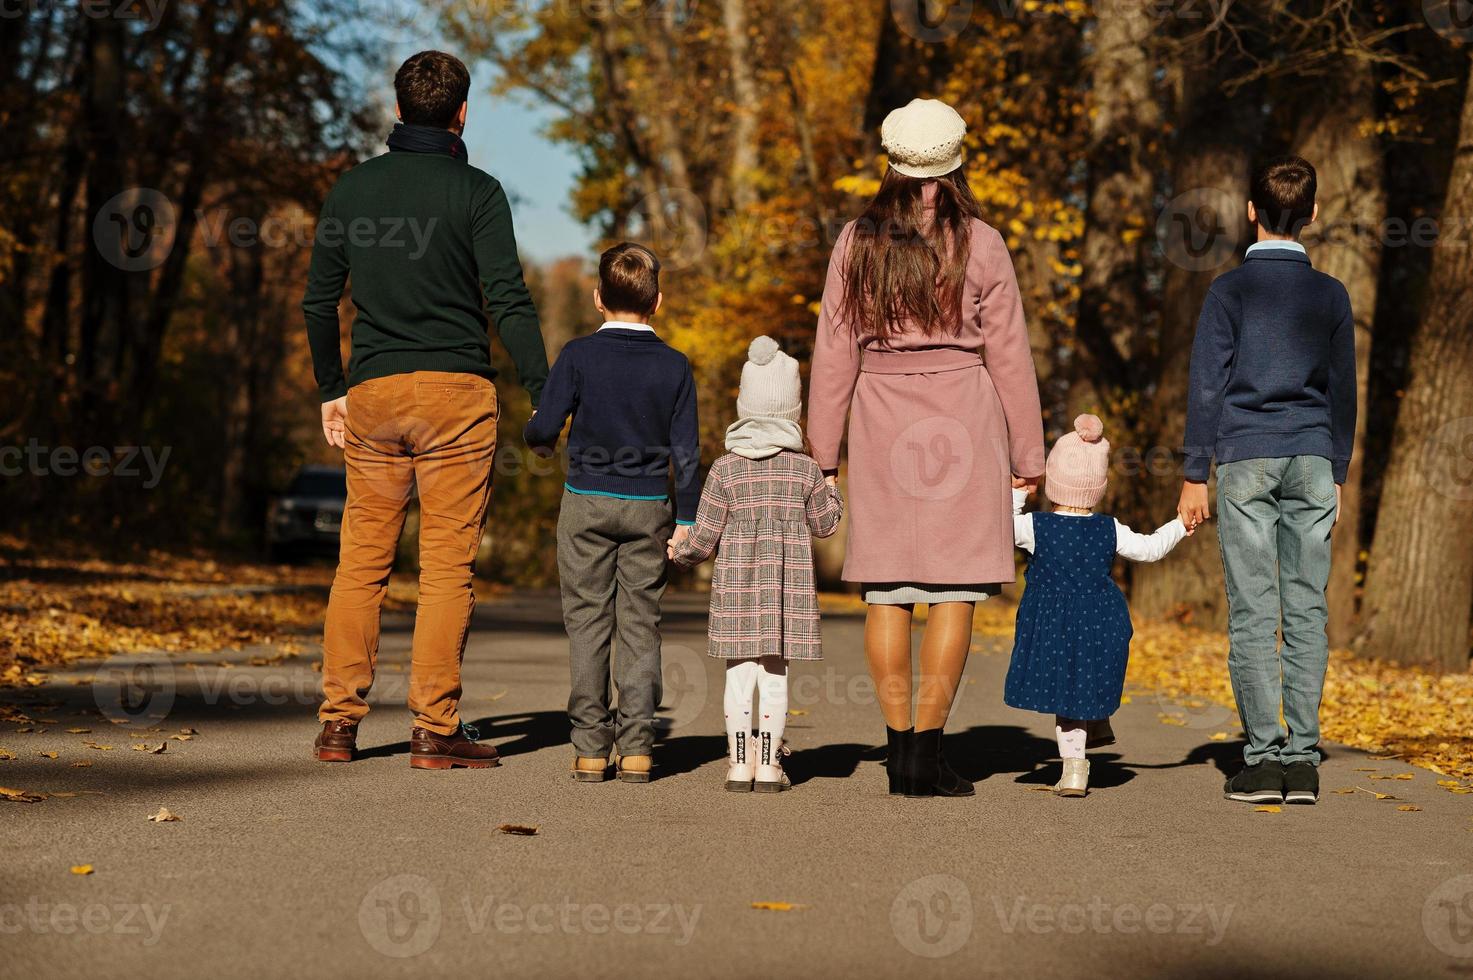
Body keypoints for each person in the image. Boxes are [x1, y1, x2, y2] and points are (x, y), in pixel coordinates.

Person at [303, 50, 548, 769]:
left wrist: (331, 388)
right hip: (456, 398)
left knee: (360, 565)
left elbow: (319, 302)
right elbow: (508, 300)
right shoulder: (477, 191)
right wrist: (546, 392)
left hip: (375, 393)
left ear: (399, 107)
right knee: (446, 568)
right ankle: (432, 730)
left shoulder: (352, 191)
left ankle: (337, 725)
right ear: (461, 112)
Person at [809, 98, 1046, 798]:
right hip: (964, 422)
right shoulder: (982, 242)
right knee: (954, 590)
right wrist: (1027, 457)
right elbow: (1009, 355)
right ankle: (926, 758)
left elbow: (832, 350)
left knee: (886, 589)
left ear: (889, 158)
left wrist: (822, 455)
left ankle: (897, 753)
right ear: (955, 159)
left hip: (880, 421)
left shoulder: (856, 240)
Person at [1177, 155, 1355, 807]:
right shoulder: (1330, 294)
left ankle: (1261, 760)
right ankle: (1302, 759)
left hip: (1245, 457)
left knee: (1254, 610)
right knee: (1306, 606)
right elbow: (1344, 393)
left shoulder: (1227, 292)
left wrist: (1194, 473)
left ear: (1250, 211)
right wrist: (1336, 469)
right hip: (1311, 458)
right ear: (1311, 213)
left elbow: (1206, 386)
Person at [524, 242, 700, 784]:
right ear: (659, 302)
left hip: (586, 503)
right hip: (650, 507)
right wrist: (689, 521)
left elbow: (544, 429)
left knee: (587, 624)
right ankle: (640, 747)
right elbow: (687, 451)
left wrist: (539, 433)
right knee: (641, 626)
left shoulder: (578, 355)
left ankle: (591, 749)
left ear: (598, 298)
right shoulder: (674, 365)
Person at [671, 337, 845, 793]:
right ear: (792, 409)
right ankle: (769, 765)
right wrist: (832, 484)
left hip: (735, 591)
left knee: (738, 675)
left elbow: (704, 536)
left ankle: (738, 763)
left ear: (745, 406)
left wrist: (680, 554)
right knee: (774, 676)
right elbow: (826, 525)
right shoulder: (804, 470)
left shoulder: (725, 470)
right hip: (784, 594)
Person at [1005, 415, 1190, 797]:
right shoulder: (1110, 528)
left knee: (1067, 694)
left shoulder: (1035, 528)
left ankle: (1074, 767)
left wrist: (1019, 492)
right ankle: (1098, 724)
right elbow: (1151, 549)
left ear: (1053, 482)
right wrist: (1180, 525)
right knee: (1087, 676)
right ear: (1098, 488)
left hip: (1055, 623)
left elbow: (1001, 525)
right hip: (1101, 617)